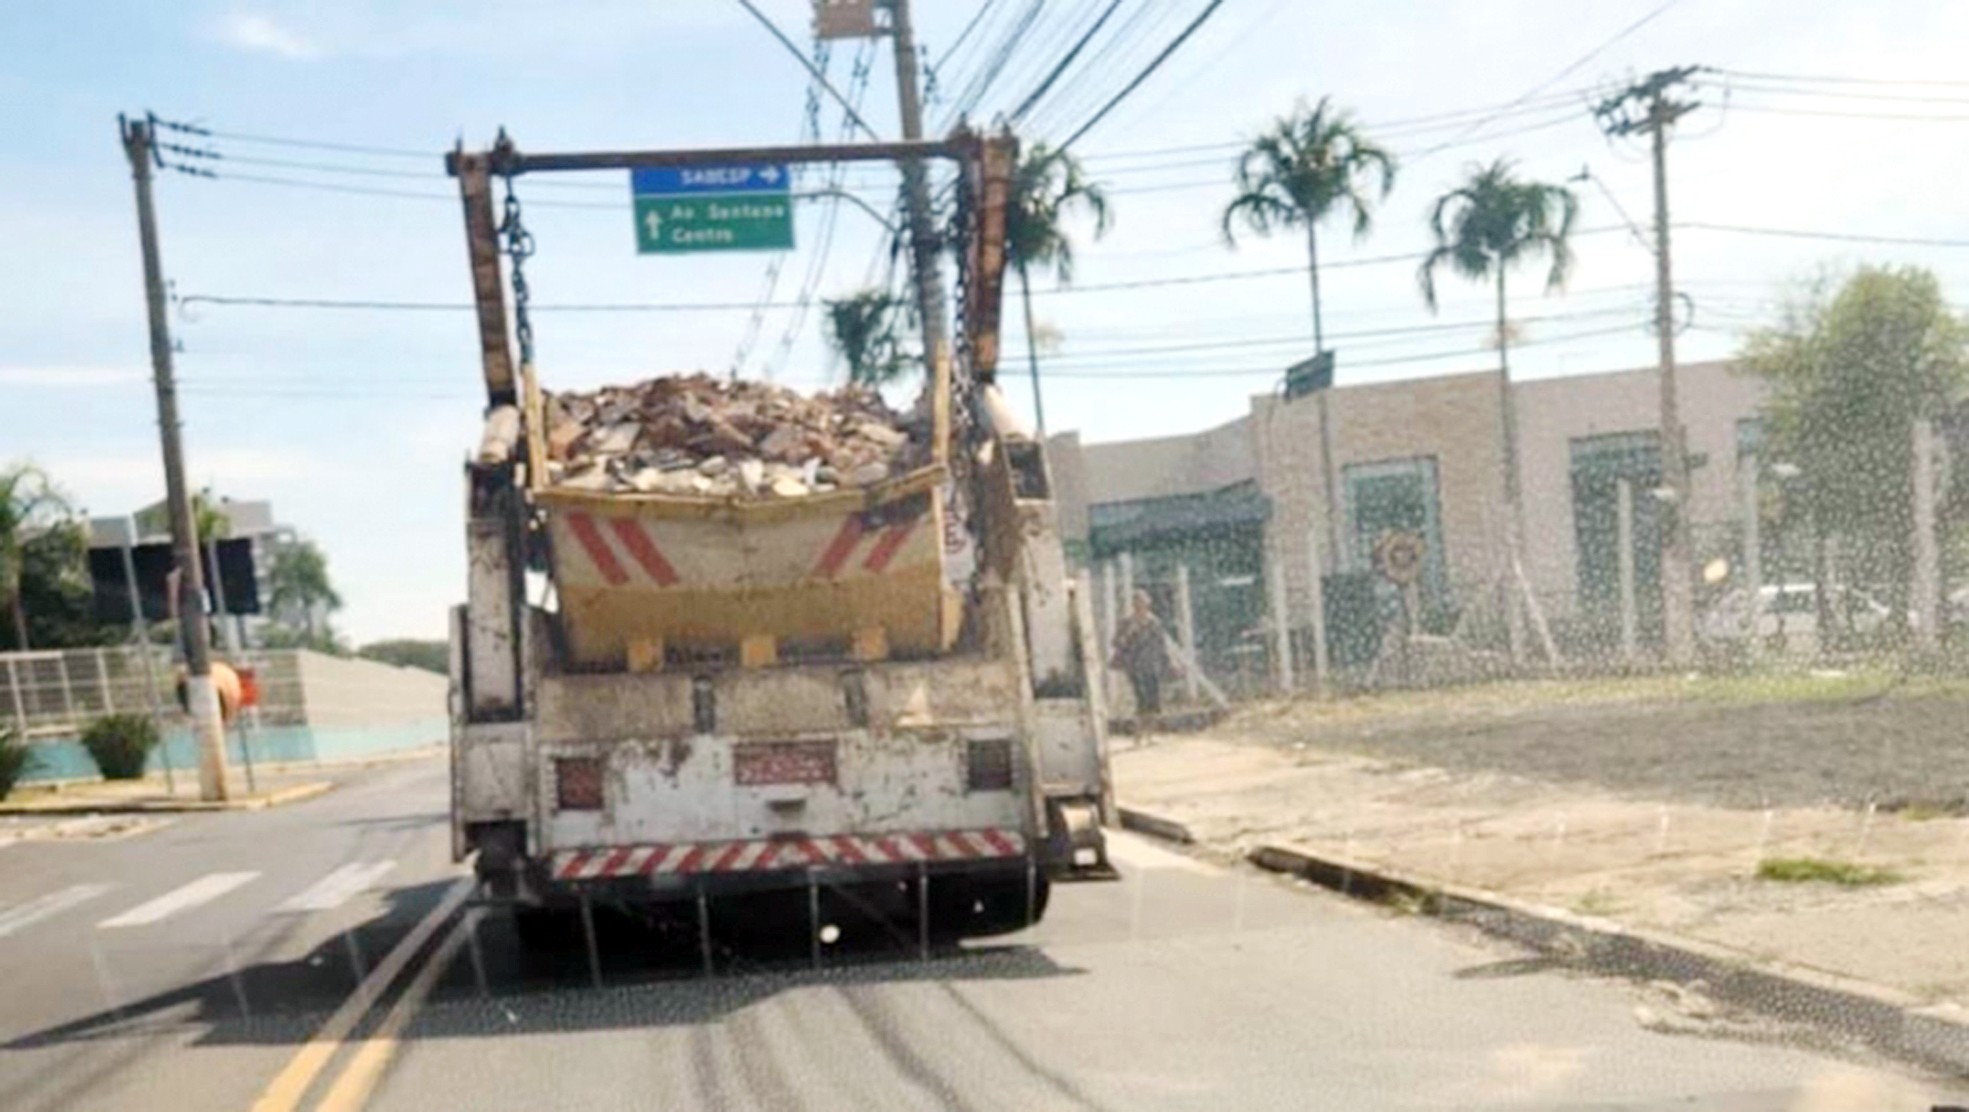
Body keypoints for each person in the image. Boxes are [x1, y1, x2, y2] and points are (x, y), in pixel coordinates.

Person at [1111, 589, 1170, 739]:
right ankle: (1138, 732)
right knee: (1141, 698)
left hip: (1151, 664)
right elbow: (1116, 642)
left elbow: (1161, 644)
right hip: (1134, 665)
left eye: (1143, 603)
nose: (1140, 606)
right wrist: (1129, 633)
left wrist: (1166, 662)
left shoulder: (1154, 622)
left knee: (1154, 699)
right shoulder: (1126, 622)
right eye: (1137, 603)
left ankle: (1150, 732)